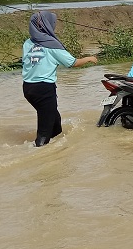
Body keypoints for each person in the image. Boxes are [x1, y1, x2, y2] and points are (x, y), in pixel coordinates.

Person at [22, 11, 97, 147]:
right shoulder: (52, 46)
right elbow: (72, 63)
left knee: (55, 122)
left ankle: (58, 154)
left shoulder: (28, 43)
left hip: (28, 88)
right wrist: (89, 58)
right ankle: (39, 156)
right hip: (44, 89)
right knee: (44, 132)